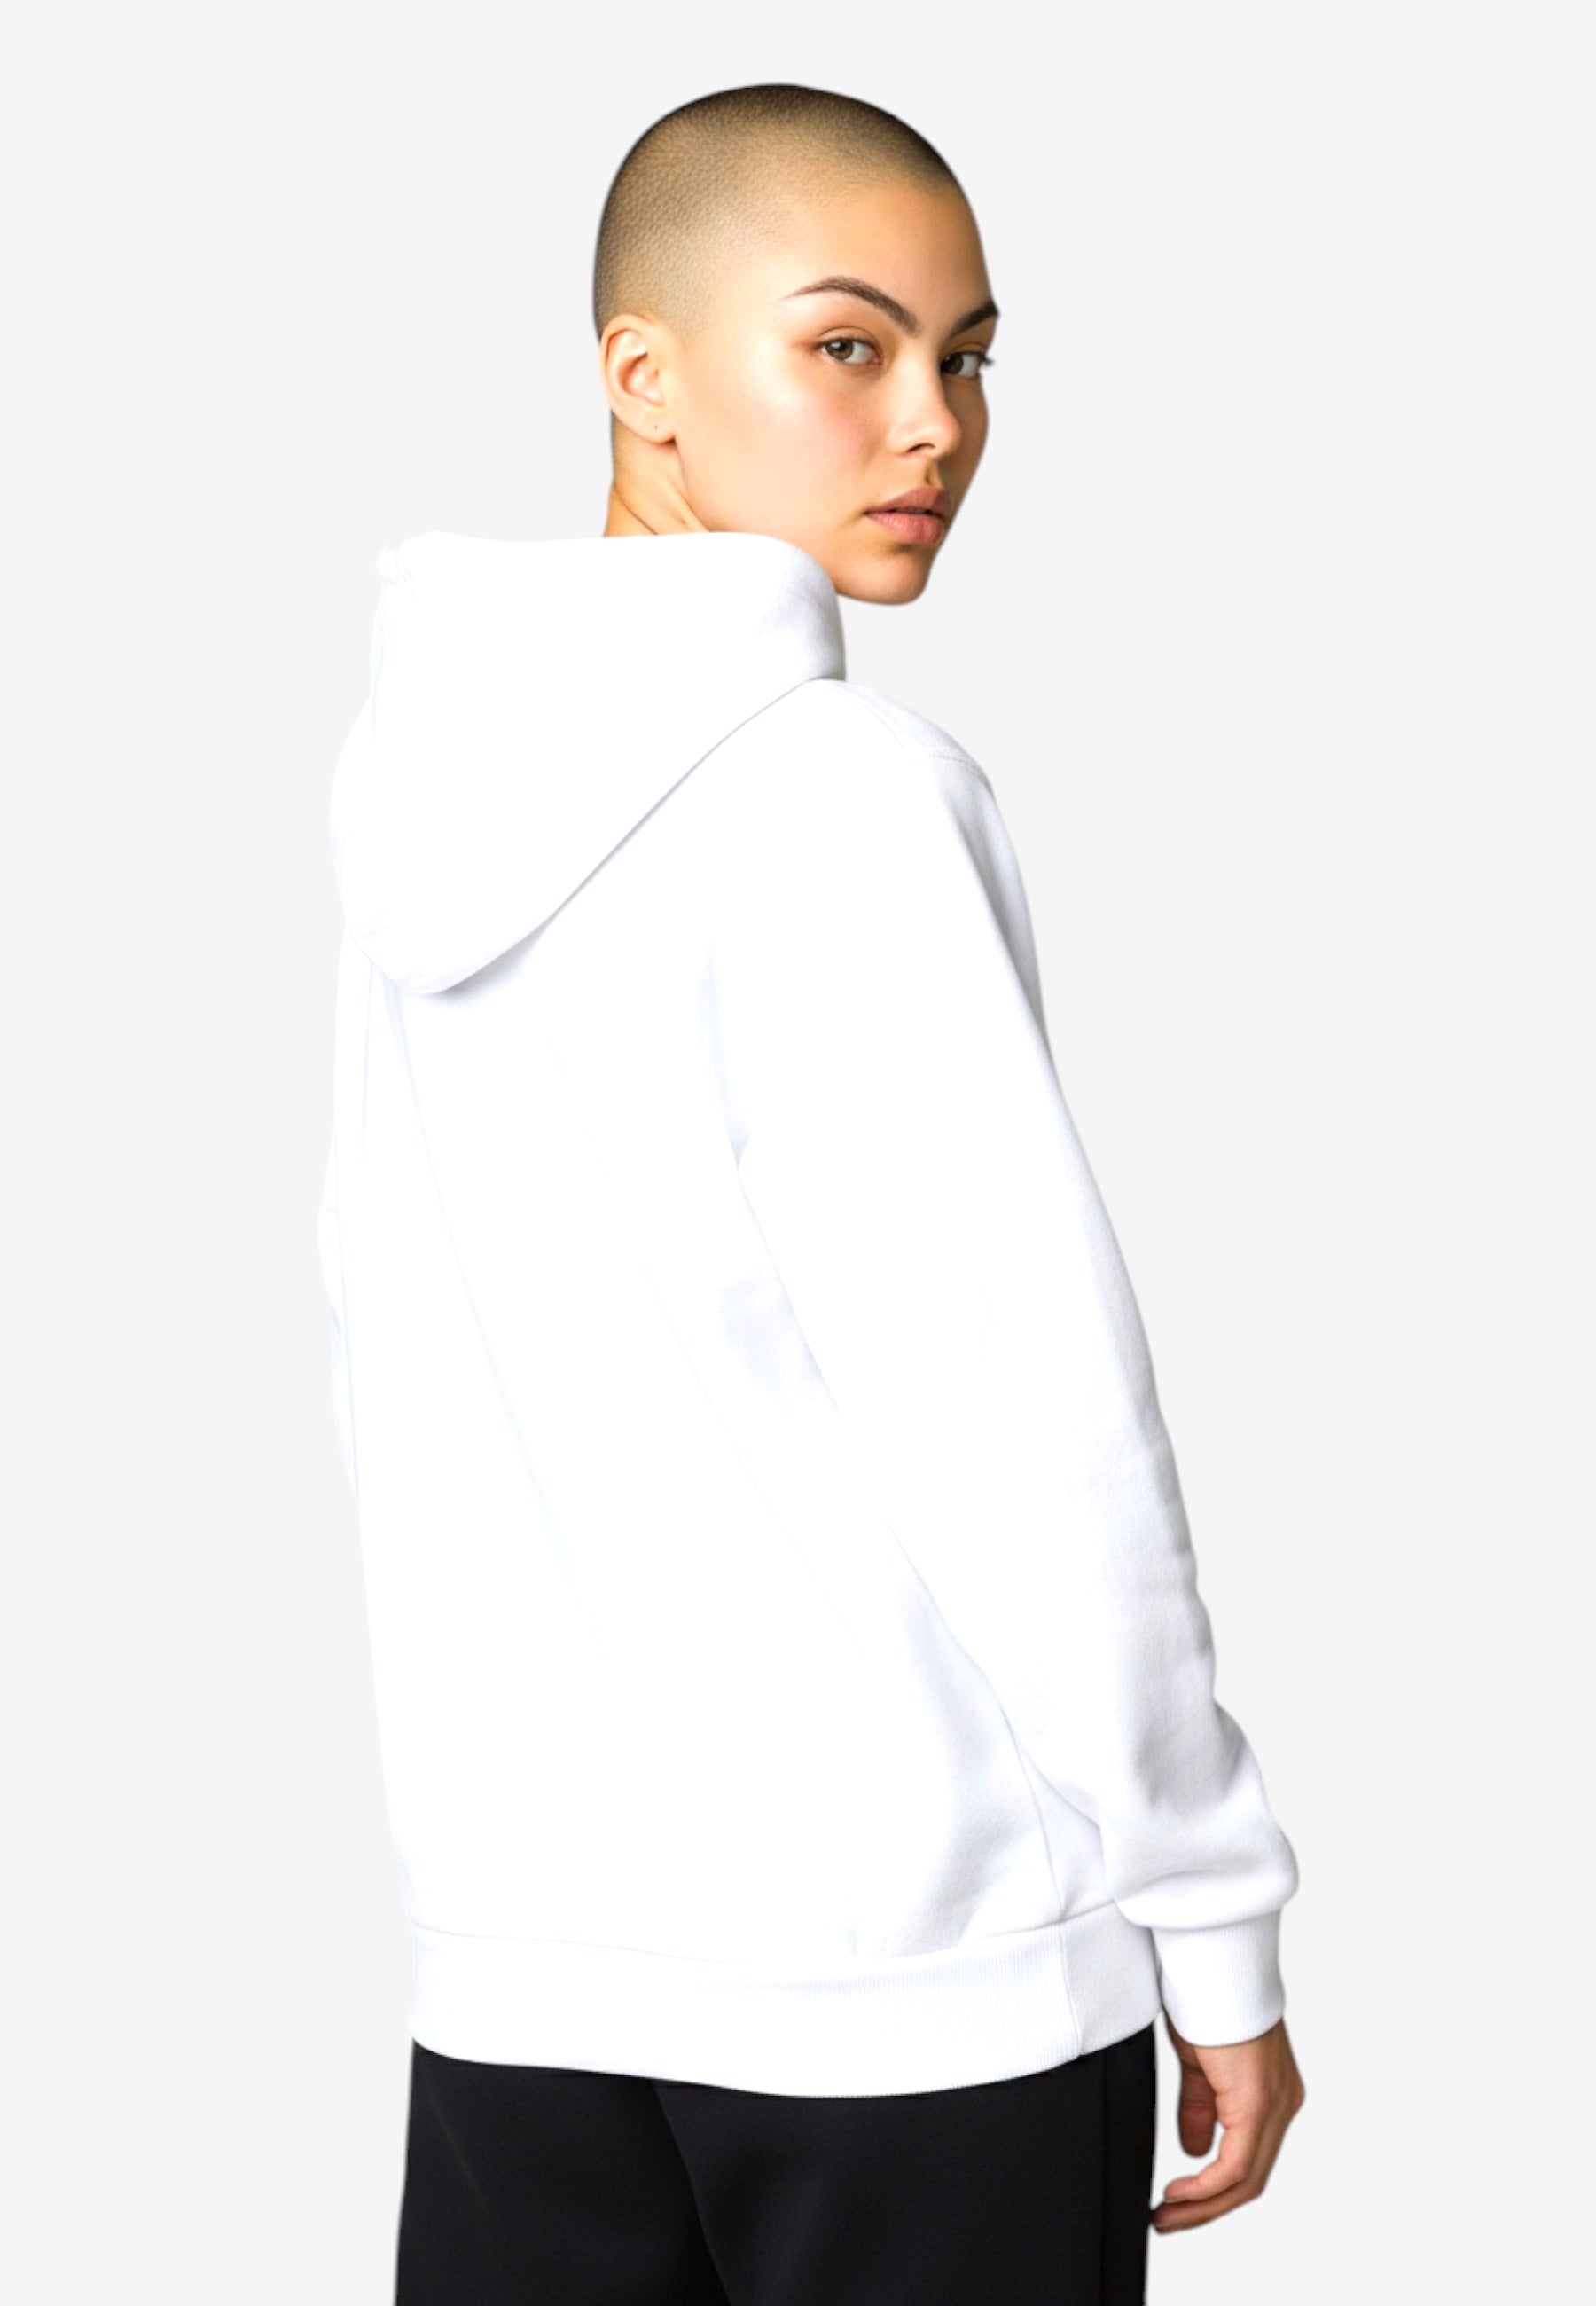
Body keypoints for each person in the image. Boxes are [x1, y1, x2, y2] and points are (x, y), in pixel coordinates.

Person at [319, 81, 1306, 2306]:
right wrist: (1214, 1911)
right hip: (920, 1993)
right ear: (640, 372)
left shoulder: (411, 774)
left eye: (969, 355)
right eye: (849, 345)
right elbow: (1030, 1419)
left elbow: (382, 1331)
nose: (934, 421)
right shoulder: (847, 790)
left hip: (526, 1981)